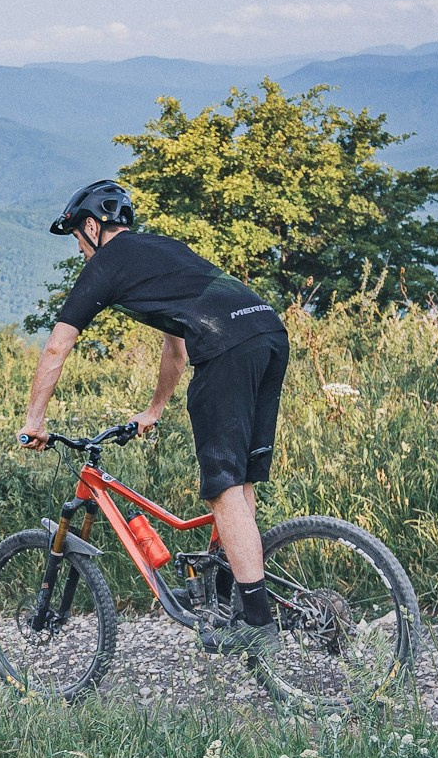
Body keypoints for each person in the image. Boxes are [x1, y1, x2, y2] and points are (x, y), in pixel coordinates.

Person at [19, 179, 289, 658]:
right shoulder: (163, 250)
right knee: (243, 481)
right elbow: (176, 343)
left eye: (79, 239)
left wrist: (33, 420)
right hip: (268, 332)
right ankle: (230, 598)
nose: (81, 251)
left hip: (227, 348)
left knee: (221, 488)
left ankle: (258, 622)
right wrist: (155, 409)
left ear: (91, 227)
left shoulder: (105, 264)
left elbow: (58, 344)